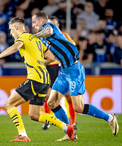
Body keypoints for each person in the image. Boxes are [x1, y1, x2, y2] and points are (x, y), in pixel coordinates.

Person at [0, 17, 75, 142]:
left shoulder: (23, 37)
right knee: (34, 115)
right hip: (45, 80)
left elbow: (16, 47)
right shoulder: (37, 39)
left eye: (11, 30)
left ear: (16, 27)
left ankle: (23, 135)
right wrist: (40, 63)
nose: (11, 33)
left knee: (9, 104)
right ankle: (67, 127)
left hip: (35, 79)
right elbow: (51, 57)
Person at [32, 11, 119, 139]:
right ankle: (70, 132)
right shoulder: (44, 40)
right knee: (52, 103)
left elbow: (49, 31)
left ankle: (110, 118)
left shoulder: (48, 27)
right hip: (63, 72)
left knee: (78, 107)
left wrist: (33, 36)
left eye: (34, 22)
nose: (33, 25)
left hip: (74, 70)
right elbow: (50, 57)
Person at [40, 16, 78, 141]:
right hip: (49, 68)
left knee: (68, 96)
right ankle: (47, 120)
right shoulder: (43, 38)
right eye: (49, 25)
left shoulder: (64, 36)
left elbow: (73, 48)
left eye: (54, 25)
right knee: (48, 96)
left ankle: (72, 123)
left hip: (61, 67)